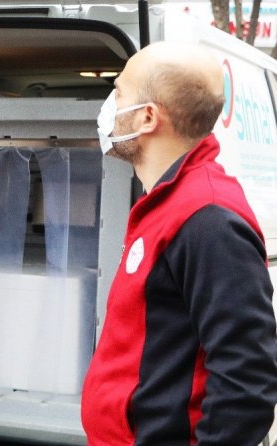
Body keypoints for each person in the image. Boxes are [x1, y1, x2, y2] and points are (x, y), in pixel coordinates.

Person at [82, 41, 277, 445]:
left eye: (119, 92)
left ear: (148, 117)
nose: (109, 106)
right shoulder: (169, 202)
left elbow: (247, 379)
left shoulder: (208, 219)